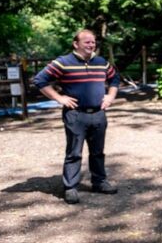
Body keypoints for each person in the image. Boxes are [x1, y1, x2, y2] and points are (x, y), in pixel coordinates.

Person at [33, 29, 121, 204]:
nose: (91, 45)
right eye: (87, 42)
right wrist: (59, 98)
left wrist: (110, 96)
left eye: (93, 42)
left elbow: (115, 79)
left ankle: (99, 182)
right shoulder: (63, 62)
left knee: (98, 152)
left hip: (98, 114)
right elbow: (40, 80)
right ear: (76, 44)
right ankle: (70, 187)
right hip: (75, 115)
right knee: (74, 153)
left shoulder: (101, 62)